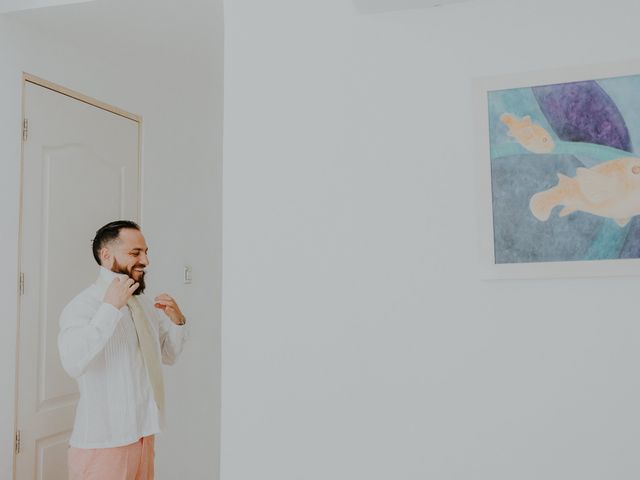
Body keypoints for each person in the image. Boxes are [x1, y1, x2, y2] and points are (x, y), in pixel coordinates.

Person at [58, 220, 188, 480]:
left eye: (146, 252)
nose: (146, 261)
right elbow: (73, 362)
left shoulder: (144, 306)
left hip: (144, 435)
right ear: (106, 256)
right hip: (104, 444)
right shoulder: (83, 306)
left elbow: (168, 356)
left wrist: (178, 322)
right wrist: (109, 310)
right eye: (135, 253)